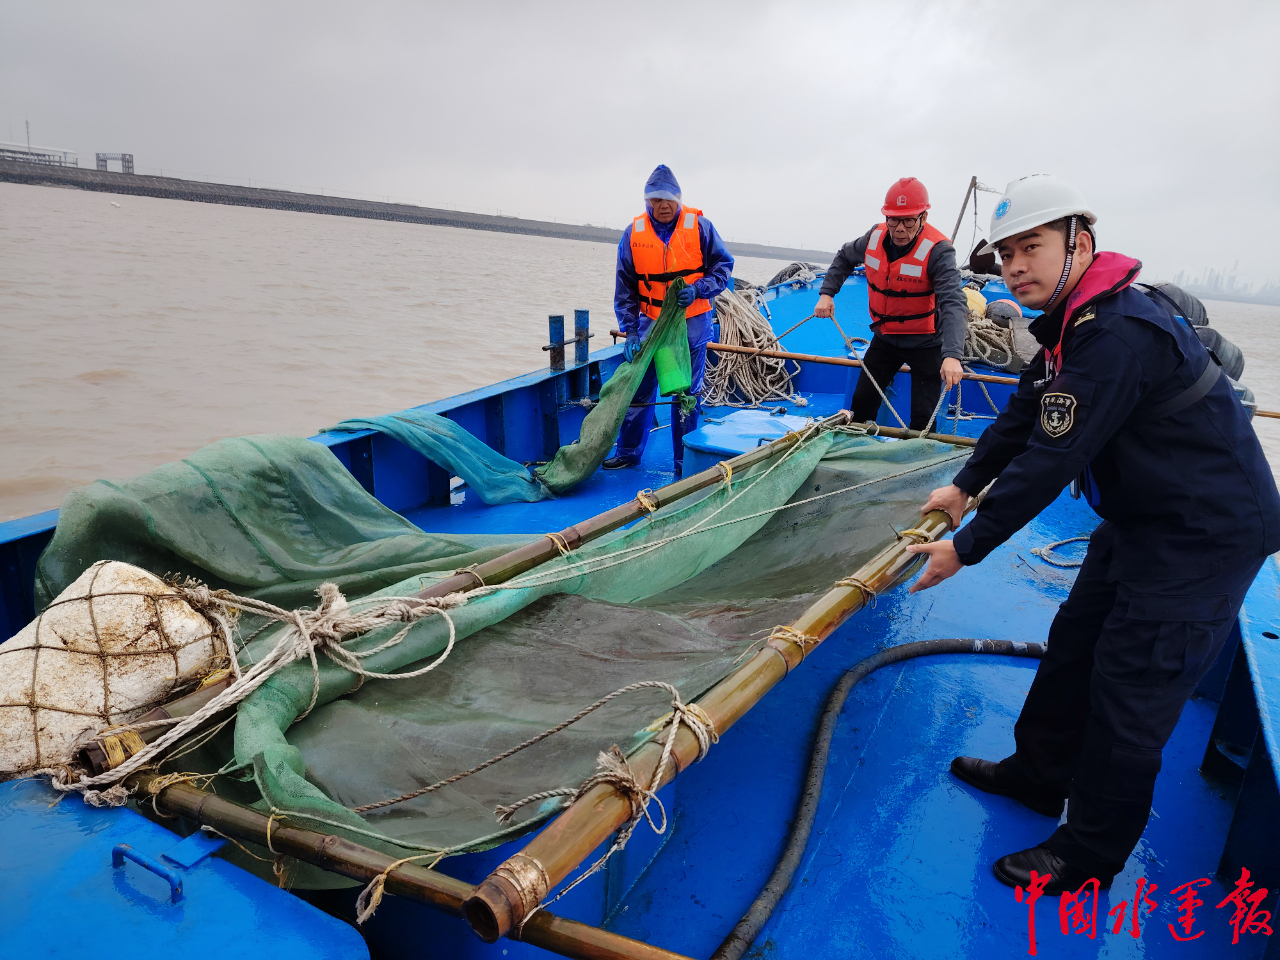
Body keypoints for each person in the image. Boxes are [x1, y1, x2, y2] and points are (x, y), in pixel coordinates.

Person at [902, 174, 1280, 893]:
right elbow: (1024, 415)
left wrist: (967, 546)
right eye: (1006, 253)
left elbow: (1053, 456)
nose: (1015, 266)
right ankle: (1038, 775)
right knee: (1076, 643)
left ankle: (1088, 856)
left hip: (1204, 536)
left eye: (1031, 247)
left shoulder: (1116, 334)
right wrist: (962, 485)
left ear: (1080, 241)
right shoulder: (1070, 328)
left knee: (1130, 691)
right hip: (1147, 517)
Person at [605, 164, 734, 476]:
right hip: (650, 324)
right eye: (654, 200)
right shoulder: (633, 233)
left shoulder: (701, 227)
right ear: (647, 202)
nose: (661, 206)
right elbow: (625, 287)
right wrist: (631, 331)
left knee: (686, 393)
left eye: (667, 200)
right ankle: (628, 452)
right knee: (638, 388)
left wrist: (699, 289)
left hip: (691, 323)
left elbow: (723, 268)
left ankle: (683, 462)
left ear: (678, 200)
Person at [815, 177, 968, 430]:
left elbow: (953, 302)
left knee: (923, 420)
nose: (899, 228)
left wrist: (952, 356)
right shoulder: (873, 237)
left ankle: (916, 459)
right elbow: (844, 256)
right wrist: (827, 293)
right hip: (885, 339)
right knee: (861, 404)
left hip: (926, 343)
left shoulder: (938, 251)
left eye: (908, 220)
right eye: (893, 219)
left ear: (923, 218)